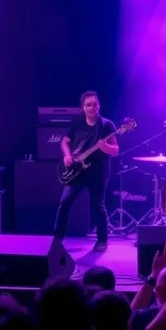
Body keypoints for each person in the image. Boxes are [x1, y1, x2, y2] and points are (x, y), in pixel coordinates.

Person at [55, 91, 119, 252]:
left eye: (95, 104)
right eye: (88, 105)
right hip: (77, 171)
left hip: (98, 172)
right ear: (83, 107)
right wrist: (67, 156)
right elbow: (65, 141)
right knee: (64, 203)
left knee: (98, 206)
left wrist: (106, 147)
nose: (92, 107)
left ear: (99, 106)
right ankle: (57, 238)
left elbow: (116, 150)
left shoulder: (107, 125)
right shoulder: (78, 123)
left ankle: (102, 240)